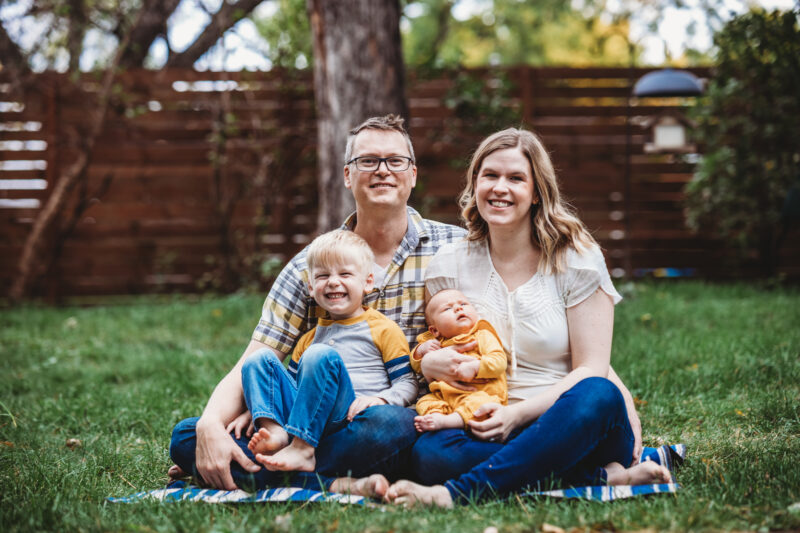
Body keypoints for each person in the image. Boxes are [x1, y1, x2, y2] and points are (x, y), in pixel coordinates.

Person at [168, 114, 466, 494]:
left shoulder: (455, 248)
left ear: (413, 174)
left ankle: (271, 472)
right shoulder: (311, 267)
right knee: (189, 434)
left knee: (393, 424)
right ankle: (337, 480)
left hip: (392, 422)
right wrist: (214, 423)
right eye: (367, 161)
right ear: (346, 175)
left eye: (395, 161)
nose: (382, 171)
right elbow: (259, 357)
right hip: (309, 423)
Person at [381, 127, 669, 507]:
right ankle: (601, 477)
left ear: (536, 192)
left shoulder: (576, 258)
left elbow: (592, 368)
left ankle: (455, 494)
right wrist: (429, 362)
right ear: (474, 184)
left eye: (516, 178)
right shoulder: (449, 265)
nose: (500, 188)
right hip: (480, 419)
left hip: (566, 419)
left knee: (598, 394)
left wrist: (515, 416)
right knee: (431, 454)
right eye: (490, 176)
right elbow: (437, 347)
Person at [242, 229, 418, 473]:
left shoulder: (383, 329)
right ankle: (276, 434)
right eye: (323, 275)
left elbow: (408, 383)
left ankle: (302, 451)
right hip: (304, 422)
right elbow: (293, 391)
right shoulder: (308, 339)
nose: (333, 281)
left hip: (350, 423)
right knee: (258, 359)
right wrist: (258, 409)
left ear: (367, 282)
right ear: (311, 287)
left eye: (345, 273)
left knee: (320, 356)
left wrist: (381, 399)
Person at [412, 289, 507, 432]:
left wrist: (476, 367)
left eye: (463, 303)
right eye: (447, 308)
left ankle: (448, 421)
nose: (458, 307)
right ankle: (435, 416)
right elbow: (418, 367)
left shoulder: (481, 335)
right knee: (424, 401)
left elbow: (499, 361)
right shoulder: (435, 343)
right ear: (435, 330)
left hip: (480, 394)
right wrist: (421, 351)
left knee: (481, 403)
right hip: (445, 397)